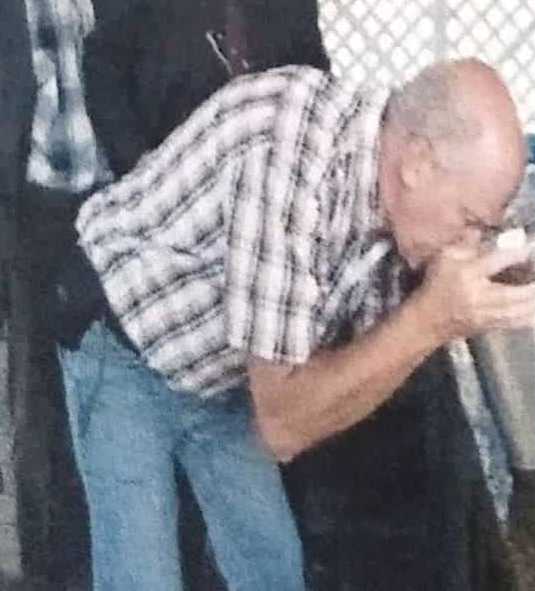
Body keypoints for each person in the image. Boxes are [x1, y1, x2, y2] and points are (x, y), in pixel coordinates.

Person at [58, 58, 535, 590]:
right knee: (141, 577)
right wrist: (430, 318)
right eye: (469, 221)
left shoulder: (395, 200)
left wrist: (450, 313)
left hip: (229, 369)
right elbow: (284, 424)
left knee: (272, 569)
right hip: (124, 344)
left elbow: (356, 368)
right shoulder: (290, 154)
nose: (468, 244)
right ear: (418, 163)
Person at [0, 0, 328, 586]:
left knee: (202, 421)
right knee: (55, 419)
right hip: (46, 209)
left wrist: (150, 177)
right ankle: (62, 569)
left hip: (159, 214)